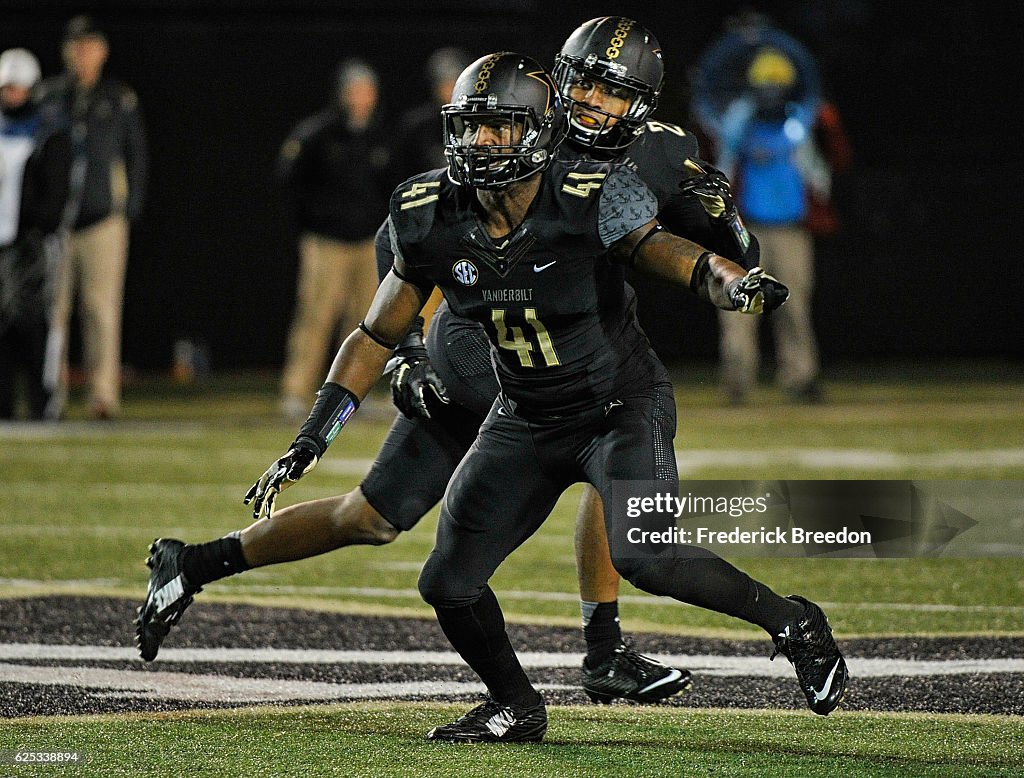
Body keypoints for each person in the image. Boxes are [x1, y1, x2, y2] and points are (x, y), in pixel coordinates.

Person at [142, 52, 846, 743]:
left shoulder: (638, 166)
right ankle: (202, 565)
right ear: (560, 88)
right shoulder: (459, 178)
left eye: (614, 89)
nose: (595, 101)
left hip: (599, 385)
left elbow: (681, 255)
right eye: (587, 84)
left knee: (635, 529)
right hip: (484, 374)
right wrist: (372, 385)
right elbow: (392, 284)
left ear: (644, 100)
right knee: (396, 537)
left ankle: (649, 645)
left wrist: (729, 256)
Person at [691, 14, 843, 405]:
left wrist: (814, 135)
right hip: (744, 231)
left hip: (791, 229)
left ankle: (801, 378)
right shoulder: (739, 122)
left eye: (779, 84)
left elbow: (822, 176)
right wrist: (736, 137)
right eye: (766, 84)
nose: (772, 91)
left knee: (795, 308)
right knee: (738, 306)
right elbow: (721, 167)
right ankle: (738, 382)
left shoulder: (797, 125)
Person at [41, 15, 148, 420]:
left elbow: (136, 155)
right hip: (55, 224)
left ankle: (103, 396)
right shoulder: (50, 96)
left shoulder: (118, 98)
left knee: (101, 310)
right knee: (53, 312)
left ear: (102, 51)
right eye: (76, 46)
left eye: (90, 45)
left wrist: (129, 206)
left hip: (103, 220)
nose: (83, 54)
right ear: (66, 51)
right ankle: (49, 393)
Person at [277, 58, 393, 422]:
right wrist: (311, 223)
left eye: (366, 90)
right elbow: (288, 184)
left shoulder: (382, 136)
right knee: (315, 317)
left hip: (366, 242)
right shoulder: (317, 134)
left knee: (367, 323)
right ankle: (296, 391)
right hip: (326, 243)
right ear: (342, 94)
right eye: (354, 91)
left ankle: (356, 393)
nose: (361, 98)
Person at [0, 48, 72, 419]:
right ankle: (5, 406)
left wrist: (39, 226)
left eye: (18, 87)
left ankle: (43, 405)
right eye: (7, 87)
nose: (12, 94)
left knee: (35, 324)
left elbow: (55, 187)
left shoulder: (47, 128)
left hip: (31, 243)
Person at [392, 46, 472, 185]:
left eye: (455, 83)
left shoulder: (480, 123)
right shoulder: (417, 127)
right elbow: (402, 175)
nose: (450, 90)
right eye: (444, 84)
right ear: (434, 87)